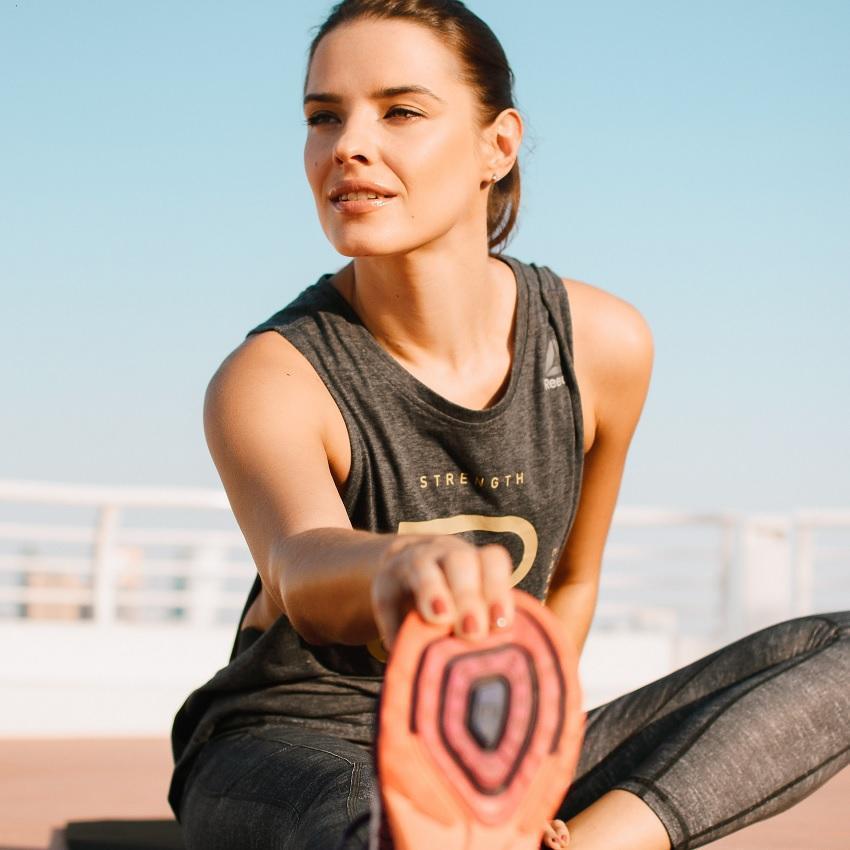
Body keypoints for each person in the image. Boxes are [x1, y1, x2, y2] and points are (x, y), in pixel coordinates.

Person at [168, 2, 850, 849]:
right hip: (295, 746)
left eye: (401, 110)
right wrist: (397, 563)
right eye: (323, 117)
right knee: (378, 825)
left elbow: (570, 585)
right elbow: (298, 567)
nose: (347, 143)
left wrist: (523, 768)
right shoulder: (273, 374)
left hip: (487, 742)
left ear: (498, 145)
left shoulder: (601, 344)